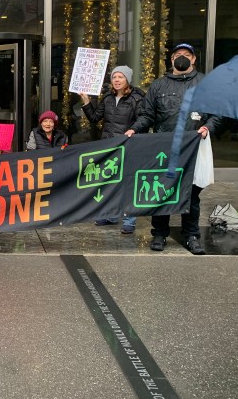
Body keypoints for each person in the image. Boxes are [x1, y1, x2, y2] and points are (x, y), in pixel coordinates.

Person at [125, 43, 219, 255]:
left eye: (187, 55)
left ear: (194, 59)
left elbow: (217, 112)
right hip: (164, 147)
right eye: (178, 55)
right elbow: (147, 115)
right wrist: (134, 129)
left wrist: (208, 126)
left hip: (193, 147)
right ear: (171, 59)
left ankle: (191, 235)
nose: (182, 58)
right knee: (162, 190)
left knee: (191, 193)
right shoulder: (159, 86)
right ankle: (159, 233)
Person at [80, 65, 145, 234]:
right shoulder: (108, 97)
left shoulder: (137, 98)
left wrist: (134, 130)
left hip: (127, 145)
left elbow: (144, 119)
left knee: (127, 183)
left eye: (120, 77)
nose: (116, 80)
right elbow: (94, 118)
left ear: (127, 80)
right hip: (109, 145)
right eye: (114, 77)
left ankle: (129, 219)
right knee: (111, 181)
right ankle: (111, 216)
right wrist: (86, 101)